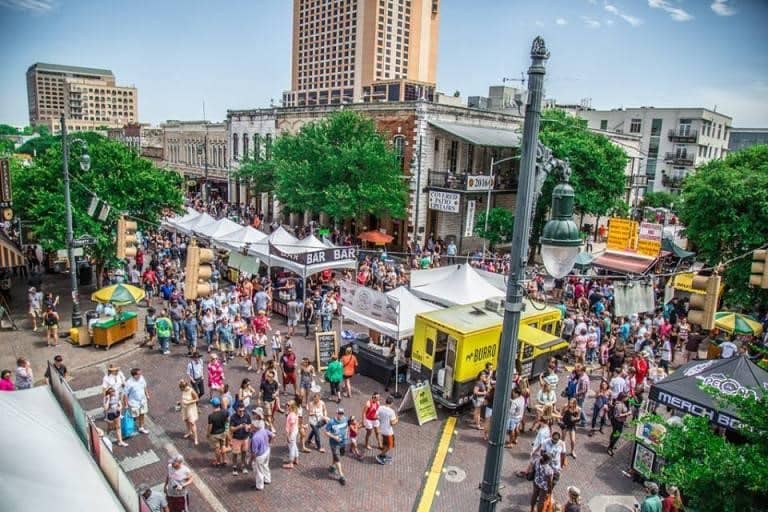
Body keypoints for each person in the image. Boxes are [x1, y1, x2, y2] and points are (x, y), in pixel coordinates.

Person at [249, 407, 274, 490]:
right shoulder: (263, 430)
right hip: (267, 450)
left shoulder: (255, 438)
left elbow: (254, 453)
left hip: (260, 456)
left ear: (255, 427)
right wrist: (269, 442)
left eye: (252, 426)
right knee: (265, 466)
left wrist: (251, 460)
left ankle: (259, 486)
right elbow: (272, 435)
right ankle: (267, 479)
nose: (251, 427)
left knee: (258, 471)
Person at [324, 406, 349, 486]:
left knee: (338, 456)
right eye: (339, 413)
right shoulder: (331, 422)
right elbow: (326, 432)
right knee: (337, 458)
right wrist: (334, 437)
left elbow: (347, 427)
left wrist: (346, 434)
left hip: (343, 442)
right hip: (334, 444)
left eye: (342, 413)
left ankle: (332, 466)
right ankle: (341, 476)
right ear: (336, 413)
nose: (341, 415)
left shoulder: (345, 419)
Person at [124, 368, 150, 435]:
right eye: (139, 374)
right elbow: (126, 394)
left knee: (142, 414)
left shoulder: (141, 378)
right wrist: (126, 404)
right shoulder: (129, 383)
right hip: (134, 403)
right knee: (135, 416)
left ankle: (141, 427)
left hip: (142, 401)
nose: (140, 375)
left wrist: (147, 394)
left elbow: (144, 386)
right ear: (134, 375)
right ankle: (131, 426)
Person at [229, 403, 253, 475]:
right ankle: (234, 467)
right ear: (237, 410)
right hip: (236, 438)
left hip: (245, 438)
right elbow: (231, 429)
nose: (241, 412)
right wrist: (239, 427)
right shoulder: (233, 417)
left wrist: (247, 427)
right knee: (235, 453)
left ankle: (243, 465)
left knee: (244, 452)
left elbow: (250, 424)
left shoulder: (247, 415)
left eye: (243, 410)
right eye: (240, 411)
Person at [376, 395, 398, 465]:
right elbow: (392, 423)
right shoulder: (391, 411)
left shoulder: (380, 408)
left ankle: (383, 454)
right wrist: (397, 420)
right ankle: (380, 455)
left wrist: (381, 420)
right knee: (390, 446)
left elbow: (376, 416)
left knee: (385, 443)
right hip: (388, 431)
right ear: (392, 403)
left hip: (382, 429)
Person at [206, 397, 228, 467]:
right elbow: (227, 421)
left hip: (215, 434)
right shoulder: (225, 412)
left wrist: (208, 434)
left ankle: (218, 462)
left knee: (217, 448)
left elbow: (210, 427)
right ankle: (224, 460)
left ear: (213, 405)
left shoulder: (211, 416)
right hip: (223, 432)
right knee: (223, 446)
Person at [179, 380, 199, 446]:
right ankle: (189, 432)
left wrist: (189, 402)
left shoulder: (191, 391)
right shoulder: (183, 391)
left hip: (191, 409)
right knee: (186, 420)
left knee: (192, 423)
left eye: (181, 389)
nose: (181, 390)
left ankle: (196, 438)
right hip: (185, 408)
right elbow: (183, 399)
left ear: (184, 387)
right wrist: (180, 402)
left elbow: (197, 399)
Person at [283, 400, 300, 469]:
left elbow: (292, 426)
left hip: (292, 432)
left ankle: (291, 463)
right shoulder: (293, 413)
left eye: (288, 405)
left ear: (292, 407)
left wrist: (288, 435)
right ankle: (296, 459)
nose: (286, 406)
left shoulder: (292, 415)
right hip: (294, 431)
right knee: (294, 445)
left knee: (291, 447)